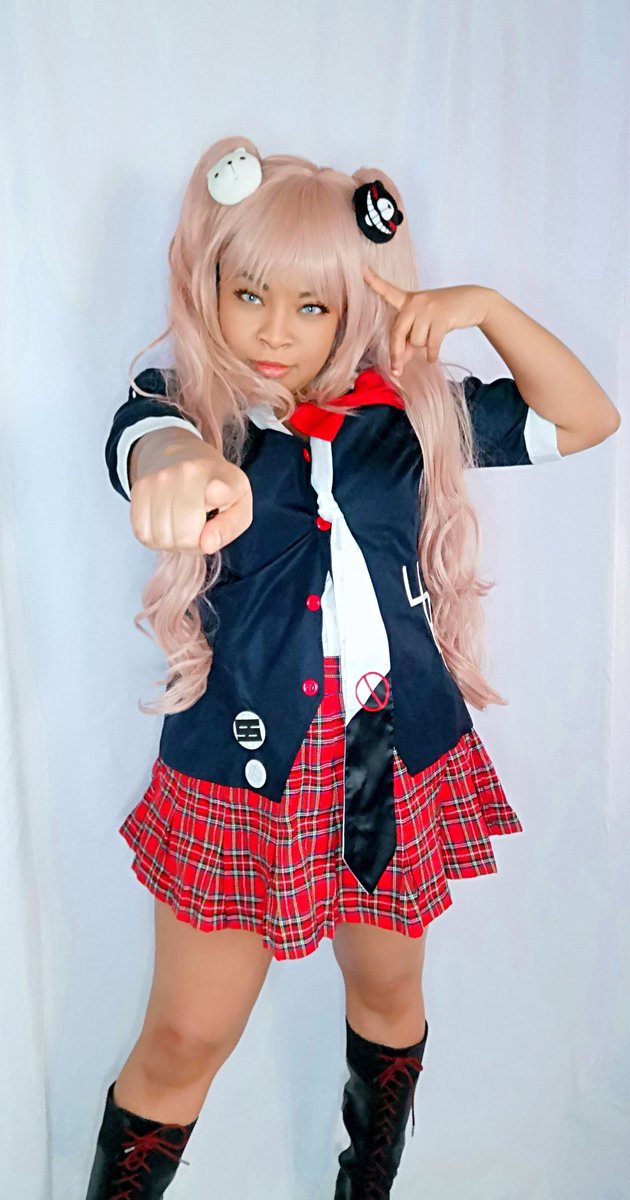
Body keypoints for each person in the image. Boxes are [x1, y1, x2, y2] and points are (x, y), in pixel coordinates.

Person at [85, 136, 620, 1199]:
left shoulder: (409, 417)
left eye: (312, 305)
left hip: (390, 757)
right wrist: (176, 464)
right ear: (211, 287)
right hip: (241, 771)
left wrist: (485, 308)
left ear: (354, 307)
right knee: (184, 1035)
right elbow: (146, 445)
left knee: (387, 1000)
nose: (274, 331)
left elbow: (589, 417)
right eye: (249, 293)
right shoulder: (190, 405)